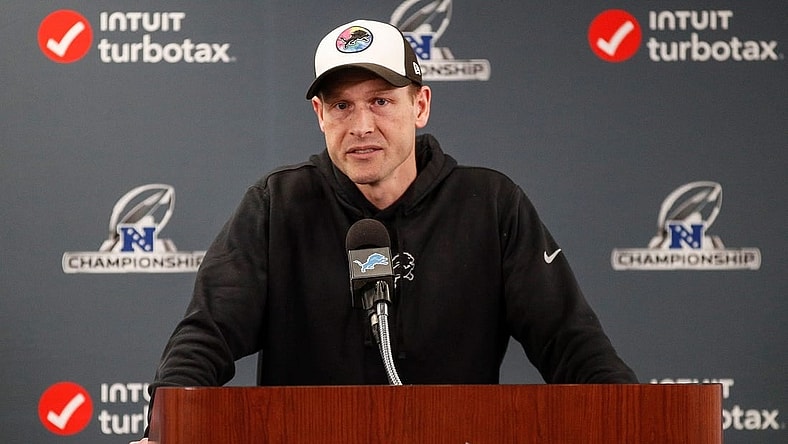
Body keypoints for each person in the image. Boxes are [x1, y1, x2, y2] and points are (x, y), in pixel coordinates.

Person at [131, 18, 636, 443]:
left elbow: (571, 343)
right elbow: (207, 335)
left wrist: (632, 425)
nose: (361, 125)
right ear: (320, 115)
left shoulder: (490, 205)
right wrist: (166, 428)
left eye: (380, 101)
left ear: (419, 106)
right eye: (341, 106)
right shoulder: (277, 204)